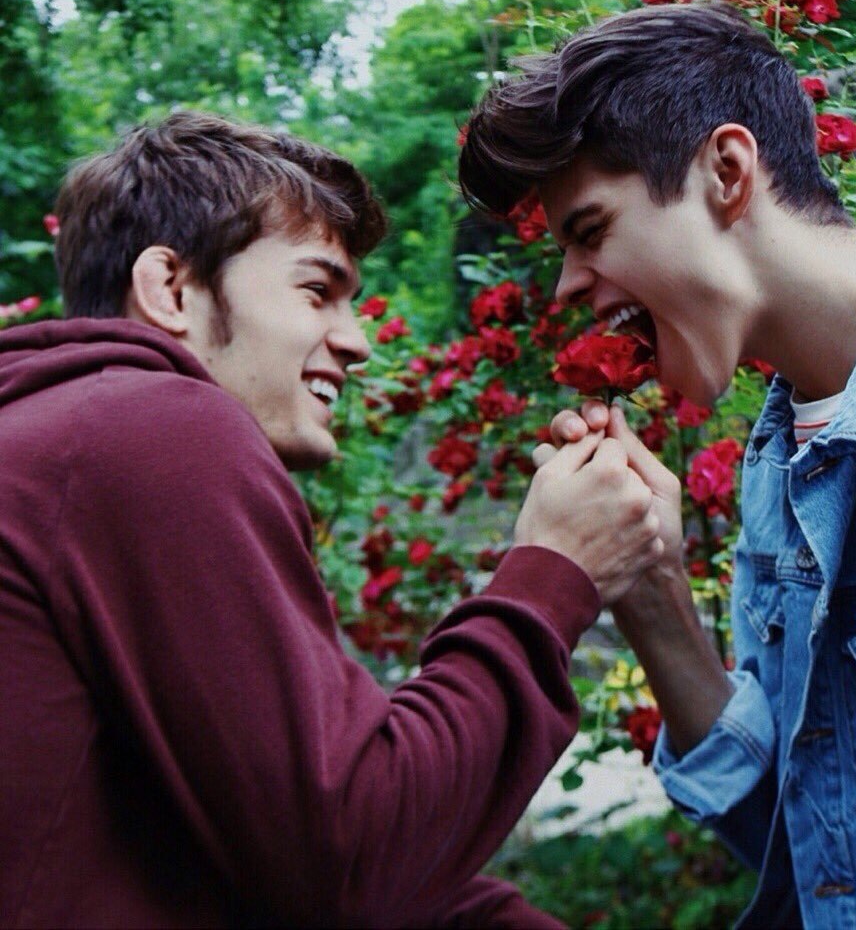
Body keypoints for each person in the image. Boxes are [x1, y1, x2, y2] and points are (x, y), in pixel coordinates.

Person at [0, 111, 666, 928]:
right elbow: (352, 852)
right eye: (317, 292)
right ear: (169, 290)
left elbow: (274, 854)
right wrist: (555, 574)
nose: (356, 342)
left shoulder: (66, 442)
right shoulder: (152, 426)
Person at [459, 0, 856, 929]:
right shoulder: (777, 463)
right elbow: (813, 852)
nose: (566, 288)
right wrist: (651, 593)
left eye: (590, 231)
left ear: (727, 172)